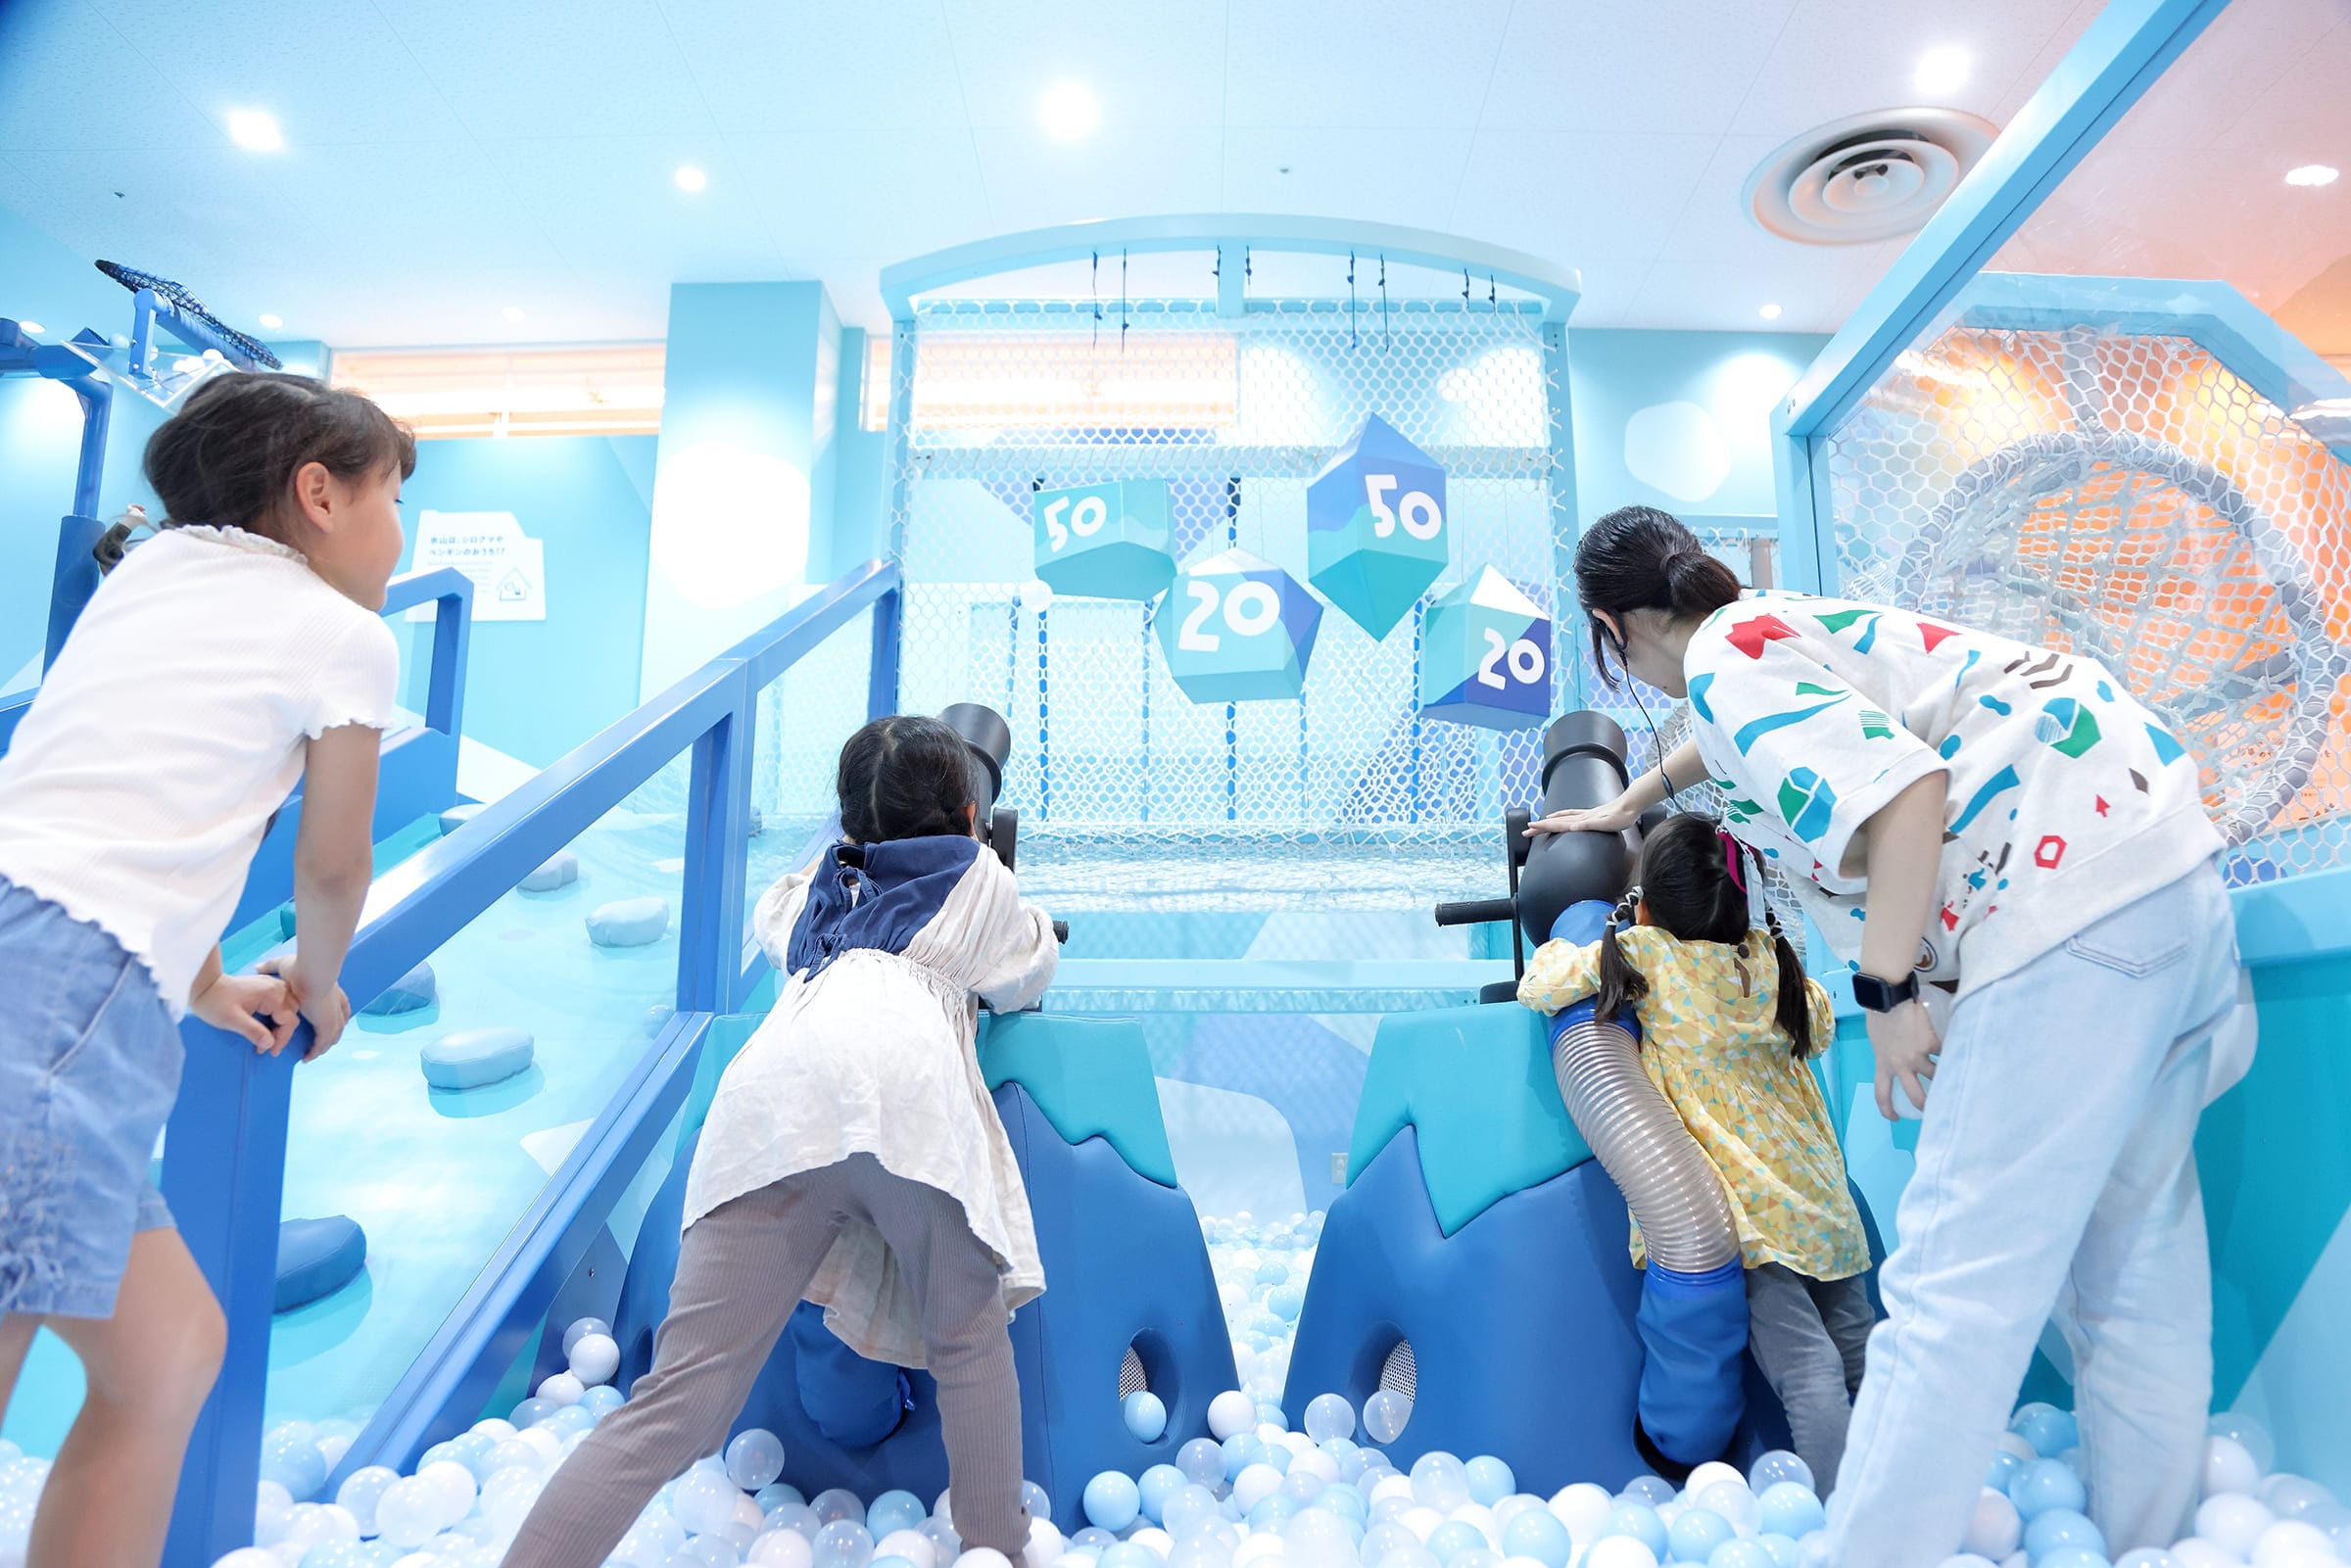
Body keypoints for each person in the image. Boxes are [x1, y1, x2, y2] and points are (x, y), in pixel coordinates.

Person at [1533, 505, 2246, 1564]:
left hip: (2056, 899)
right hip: (2159, 862)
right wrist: (1626, 805)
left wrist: (1890, 990)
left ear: (1610, 628)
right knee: (2133, 1272)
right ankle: (2151, 1543)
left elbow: (1909, 793)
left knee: (1952, 1287)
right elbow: (1721, 746)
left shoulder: (1726, 660)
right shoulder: (1762, 625)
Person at [0, 373, 409, 1566]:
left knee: (169, 1347)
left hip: (53, 954)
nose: (400, 534)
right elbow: (333, 862)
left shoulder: (150, 574)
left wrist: (203, 983)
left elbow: (138, 794)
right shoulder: (346, 635)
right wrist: (319, 982)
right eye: (392, 499)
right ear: (320, 493)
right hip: (66, 993)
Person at [504, 715, 1060, 1568]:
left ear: (849, 823)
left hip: (773, 1102)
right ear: (966, 814)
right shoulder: (977, 876)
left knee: (674, 1403)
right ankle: (999, 1546)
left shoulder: (809, 895)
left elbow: (778, 916)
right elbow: (1025, 969)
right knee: (969, 1342)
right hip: (905, 1100)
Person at [1518, 810, 1874, 1490]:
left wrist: (1596, 925)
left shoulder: (1652, 958)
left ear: (1646, 906)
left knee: (1810, 1370)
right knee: (1862, 1359)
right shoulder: (1772, 963)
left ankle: (1846, 1518)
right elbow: (1821, 1020)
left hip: (1755, 1218)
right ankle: (1903, 1495)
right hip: (1822, 1201)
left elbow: (1544, 982)